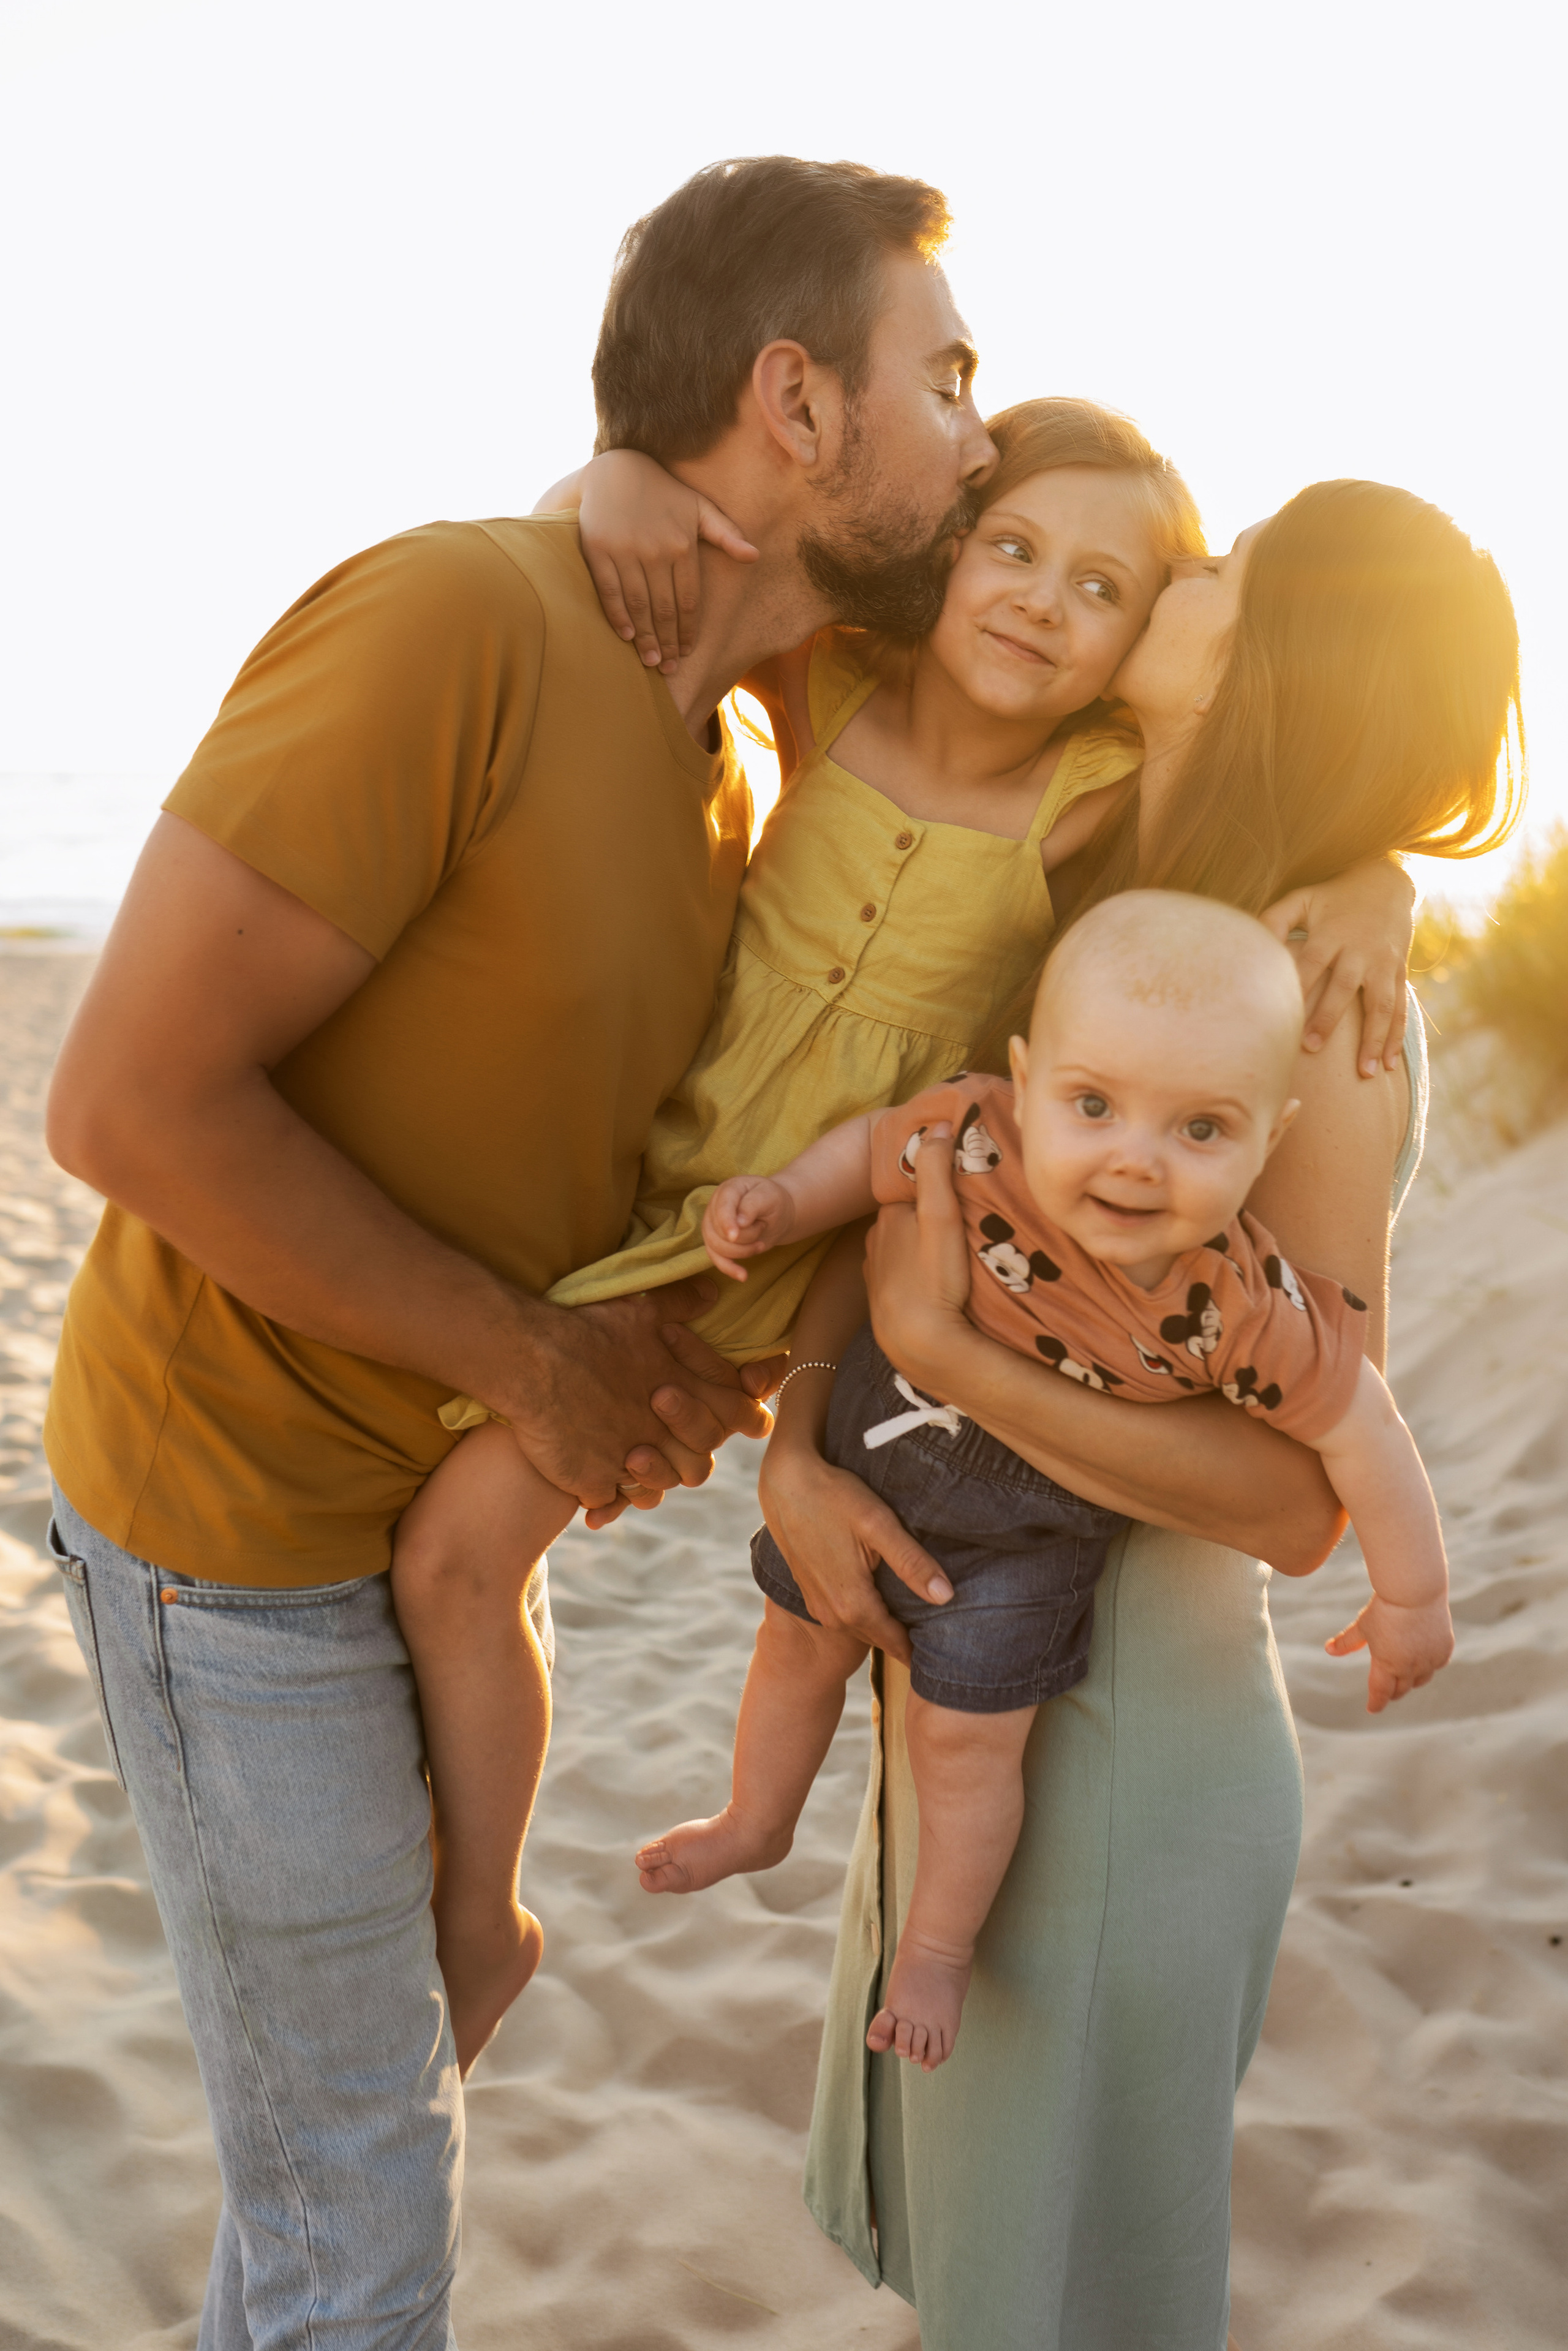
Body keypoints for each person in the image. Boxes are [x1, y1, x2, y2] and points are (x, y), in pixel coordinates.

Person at [40, 154, 999, 2347]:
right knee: (364, 2208)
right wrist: (540, 1362)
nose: (979, 425)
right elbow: (120, 1102)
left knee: (332, 2164)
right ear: (795, 399)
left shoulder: (759, 744)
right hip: (235, 1529)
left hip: (433, 1517)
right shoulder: (461, 620)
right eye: (944, 374)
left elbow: (1113, 639)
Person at [385, 401, 1415, 2080]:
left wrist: (1384, 877)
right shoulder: (840, 682)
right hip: (714, 1188)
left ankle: (480, 1912)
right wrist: (624, 478)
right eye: (1011, 550)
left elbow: (1274, 827)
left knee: (458, 1550)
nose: (1058, 602)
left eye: (1130, 581)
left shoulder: (1102, 802)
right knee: (435, 1516)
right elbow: (674, 579)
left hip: (844, 1244)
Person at [757, 481, 1522, 2347]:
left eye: (1228, 570)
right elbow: (921, 1188)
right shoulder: (1109, 891)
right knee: (995, 2278)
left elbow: (1294, 1496)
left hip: (1119, 1757)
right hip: (981, 1709)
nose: (1183, 576)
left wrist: (965, 1367)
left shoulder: (1314, 1021)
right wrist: (798, 1444)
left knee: (1062, 2303)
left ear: (1272, 670)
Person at [633, 891, 1451, 2077]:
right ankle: (755, 1821)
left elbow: (1365, 1432)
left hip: (1027, 1539)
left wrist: (1413, 1594)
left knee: (969, 1745)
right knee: (796, 1639)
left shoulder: (1243, 1304)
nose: (1136, 1157)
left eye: (1201, 1131)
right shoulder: (975, 1133)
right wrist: (780, 1200)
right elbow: (864, 1159)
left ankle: (937, 1950)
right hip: (879, 1441)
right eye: (1093, 1105)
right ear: (1024, 1079)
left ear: (1272, 1140)